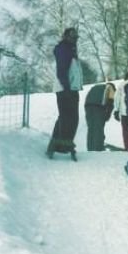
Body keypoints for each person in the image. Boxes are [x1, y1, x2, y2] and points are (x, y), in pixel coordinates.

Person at [46, 27, 83, 160]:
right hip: (65, 89)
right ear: (66, 37)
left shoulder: (70, 50)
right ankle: (61, 145)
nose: (75, 40)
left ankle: (57, 145)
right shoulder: (64, 49)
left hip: (70, 88)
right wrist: (67, 88)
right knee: (70, 118)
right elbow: (61, 70)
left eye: (76, 38)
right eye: (72, 37)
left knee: (67, 117)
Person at [84, 82, 116, 151]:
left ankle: (90, 148)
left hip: (88, 105)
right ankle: (98, 148)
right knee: (98, 128)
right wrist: (107, 115)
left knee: (91, 128)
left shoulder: (96, 86)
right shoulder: (110, 87)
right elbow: (110, 101)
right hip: (98, 106)